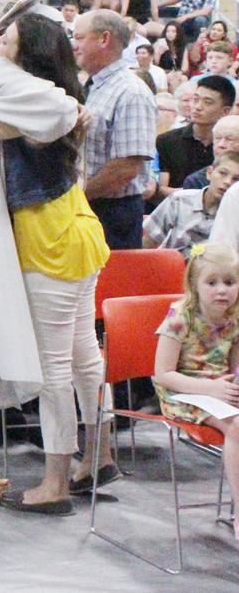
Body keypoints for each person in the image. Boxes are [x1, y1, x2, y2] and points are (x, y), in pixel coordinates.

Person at [0, 9, 113, 512]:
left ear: (27, 54)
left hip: (50, 240)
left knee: (54, 369)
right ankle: (97, 457)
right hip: (73, 229)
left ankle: (55, 483)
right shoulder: (52, 96)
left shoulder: (35, 97)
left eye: (5, 40)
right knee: (82, 356)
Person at [152, 242, 239, 540]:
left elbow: (234, 367)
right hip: (183, 392)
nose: (221, 290)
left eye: (230, 282)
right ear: (195, 284)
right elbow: (163, 374)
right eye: (212, 282)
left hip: (219, 389)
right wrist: (209, 388)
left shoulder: (234, 317)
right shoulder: (180, 317)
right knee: (237, 426)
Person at [76, 9, 158, 249]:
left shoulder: (131, 92)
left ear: (104, 39)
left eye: (80, 38)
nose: (74, 45)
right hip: (89, 204)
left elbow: (126, 168)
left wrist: (77, 196)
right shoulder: (93, 85)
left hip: (112, 214)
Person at [155, 76, 236, 199]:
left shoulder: (228, 146)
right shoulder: (167, 140)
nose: (197, 107)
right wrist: (197, 191)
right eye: (195, 99)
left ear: (225, 111)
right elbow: (161, 189)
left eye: (207, 102)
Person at [145, 151, 239, 255]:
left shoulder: (233, 215)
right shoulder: (179, 200)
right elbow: (150, 239)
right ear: (209, 173)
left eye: (236, 179)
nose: (227, 182)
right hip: (172, 262)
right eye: (223, 173)